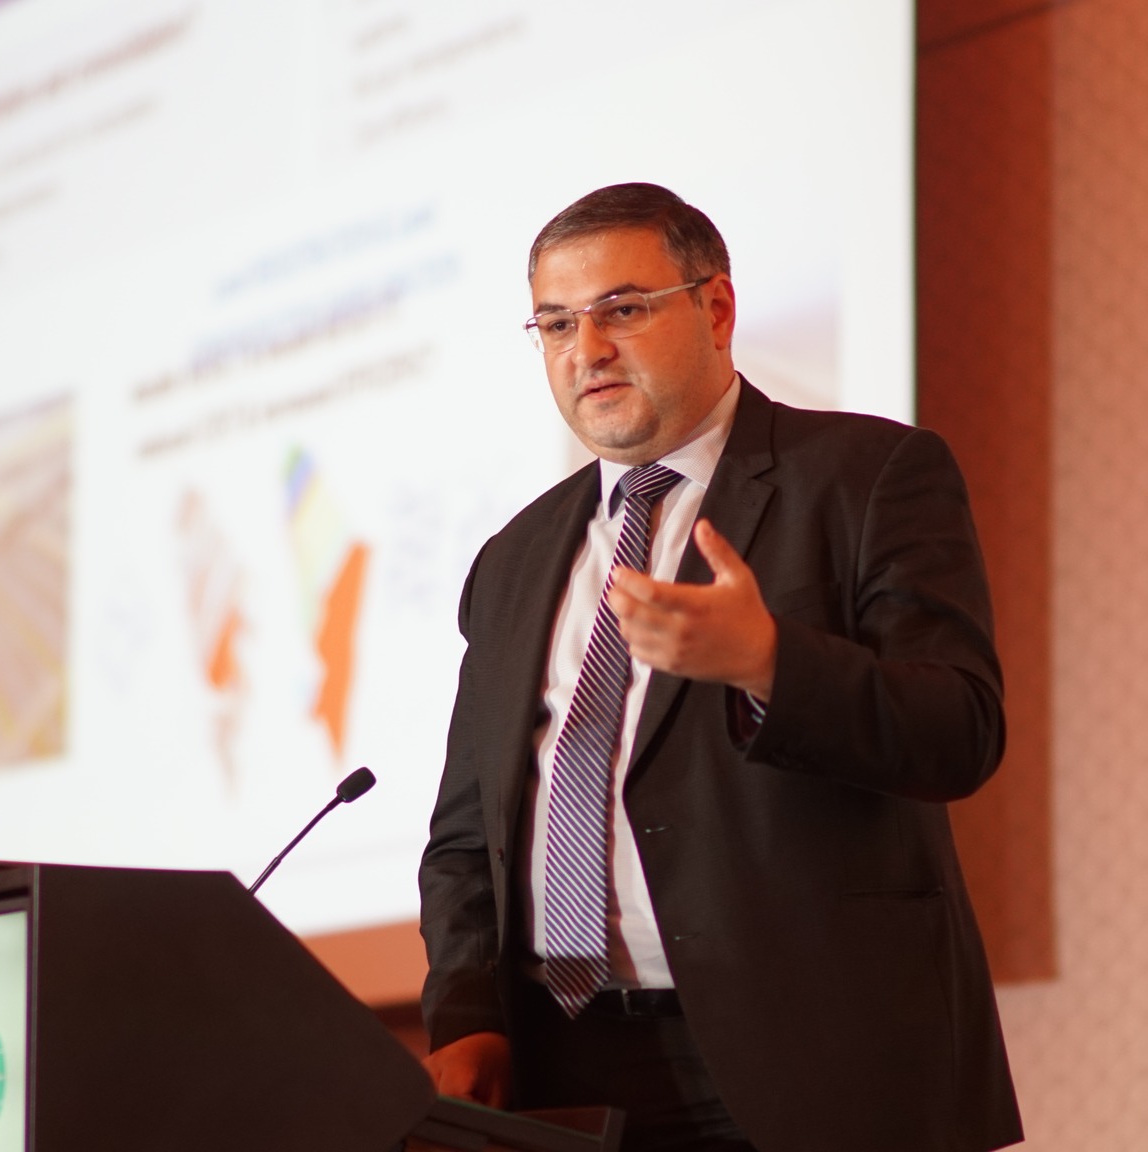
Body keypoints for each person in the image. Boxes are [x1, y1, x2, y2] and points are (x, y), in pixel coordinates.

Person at [417, 183, 1022, 1152]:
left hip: (819, 1057)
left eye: (621, 309)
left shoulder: (867, 477)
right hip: (568, 1071)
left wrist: (771, 664)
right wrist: (466, 1014)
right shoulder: (513, 560)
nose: (586, 349)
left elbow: (960, 729)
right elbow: (464, 833)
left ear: (716, 309)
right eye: (556, 323)